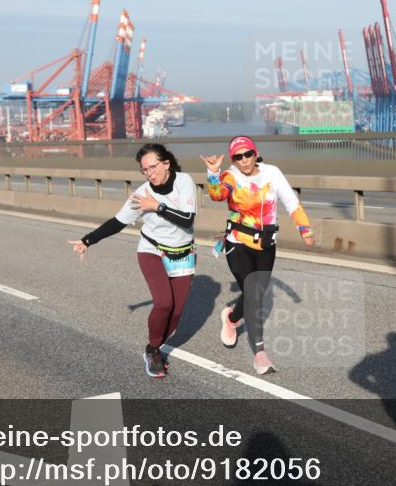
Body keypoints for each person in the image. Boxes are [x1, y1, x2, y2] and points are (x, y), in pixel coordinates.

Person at [68, 143, 196, 378]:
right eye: (145, 170)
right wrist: (87, 240)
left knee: (176, 314)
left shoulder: (184, 182)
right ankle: (153, 349)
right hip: (152, 250)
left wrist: (156, 206)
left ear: (166, 163)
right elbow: (118, 222)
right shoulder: (142, 194)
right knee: (164, 303)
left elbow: (187, 219)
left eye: (153, 167)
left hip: (183, 253)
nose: (150, 173)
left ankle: (157, 343)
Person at [202, 136, 314, 375]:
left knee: (256, 292)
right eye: (238, 157)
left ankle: (231, 317)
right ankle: (260, 354)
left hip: (266, 244)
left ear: (255, 153)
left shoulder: (272, 173)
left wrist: (304, 229)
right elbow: (217, 194)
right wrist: (213, 174)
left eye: (248, 154)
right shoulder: (230, 176)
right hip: (237, 243)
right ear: (233, 159)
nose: (244, 160)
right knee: (254, 295)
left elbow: (291, 202)